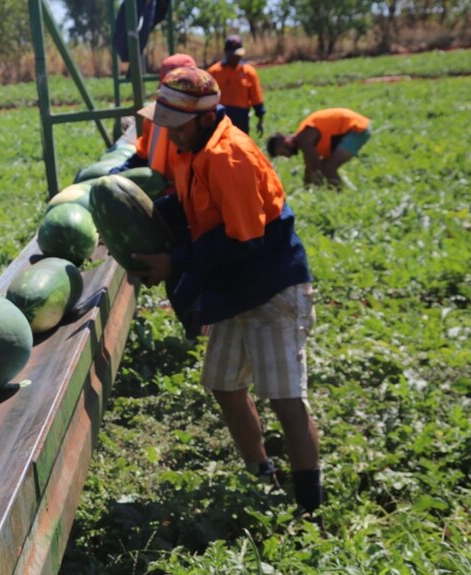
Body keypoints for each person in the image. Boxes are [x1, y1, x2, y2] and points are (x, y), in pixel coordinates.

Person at [132, 66, 324, 518]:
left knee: (285, 399)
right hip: (233, 283)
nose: (168, 132)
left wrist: (174, 263)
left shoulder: (228, 155)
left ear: (203, 117)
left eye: (175, 123)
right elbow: (185, 206)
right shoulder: (188, 149)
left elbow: (244, 240)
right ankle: (263, 474)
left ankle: (310, 510)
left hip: (271, 286)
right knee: (223, 384)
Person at [112, 53, 196, 184]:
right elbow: (142, 154)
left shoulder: (201, 125)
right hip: (157, 189)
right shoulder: (153, 117)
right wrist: (122, 171)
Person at [267, 108, 372, 188]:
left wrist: (314, 186)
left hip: (357, 128)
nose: (287, 156)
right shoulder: (304, 137)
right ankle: (344, 192)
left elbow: (314, 167)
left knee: (328, 168)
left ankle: (342, 195)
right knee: (326, 167)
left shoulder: (303, 139)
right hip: (355, 126)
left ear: (286, 142)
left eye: (283, 152)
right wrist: (307, 187)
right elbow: (310, 166)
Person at [207, 35, 266, 137]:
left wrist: (260, 119)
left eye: (239, 54)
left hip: (241, 116)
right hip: (220, 115)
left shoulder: (249, 72)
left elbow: (256, 96)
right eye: (233, 54)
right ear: (226, 53)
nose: (237, 57)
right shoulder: (214, 72)